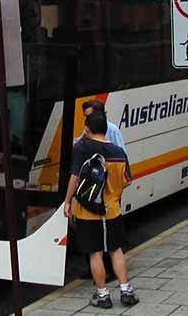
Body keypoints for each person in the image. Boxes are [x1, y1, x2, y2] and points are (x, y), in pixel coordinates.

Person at [63, 111, 139, 309]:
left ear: (87, 129)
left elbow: (74, 177)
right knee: (116, 250)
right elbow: (127, 180)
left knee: (95, 252)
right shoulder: (118, 152)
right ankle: (125, 290)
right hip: (112, 210)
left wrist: (68, 201)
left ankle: (102, 295)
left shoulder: (82, 148)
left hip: (87, 211)